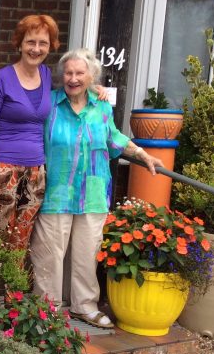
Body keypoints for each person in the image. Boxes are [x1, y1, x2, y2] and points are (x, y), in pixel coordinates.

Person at [30, 48, 163, 328]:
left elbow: (115, 138)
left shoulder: (102, 108)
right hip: (56, 192)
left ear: (92, 76)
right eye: (68, 72)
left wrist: (142, 154)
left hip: (92, 193)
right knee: (49, 255)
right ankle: (46, 311)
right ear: (61, 76)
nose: (73, 78)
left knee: (86, 254)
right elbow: (27, 131)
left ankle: (84, 307)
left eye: (80, 73)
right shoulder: (49, 105)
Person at [0, 14, 58, 252]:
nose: (36, 48)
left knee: (22, 238)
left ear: (50, 46)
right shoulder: (2, 78)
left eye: (43, 43)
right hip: (3, 170)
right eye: (31, 42)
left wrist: (95, 88)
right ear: (20, 44)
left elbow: (77, 81)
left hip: (36, 172)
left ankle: (14, 291)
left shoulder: (47, 75)